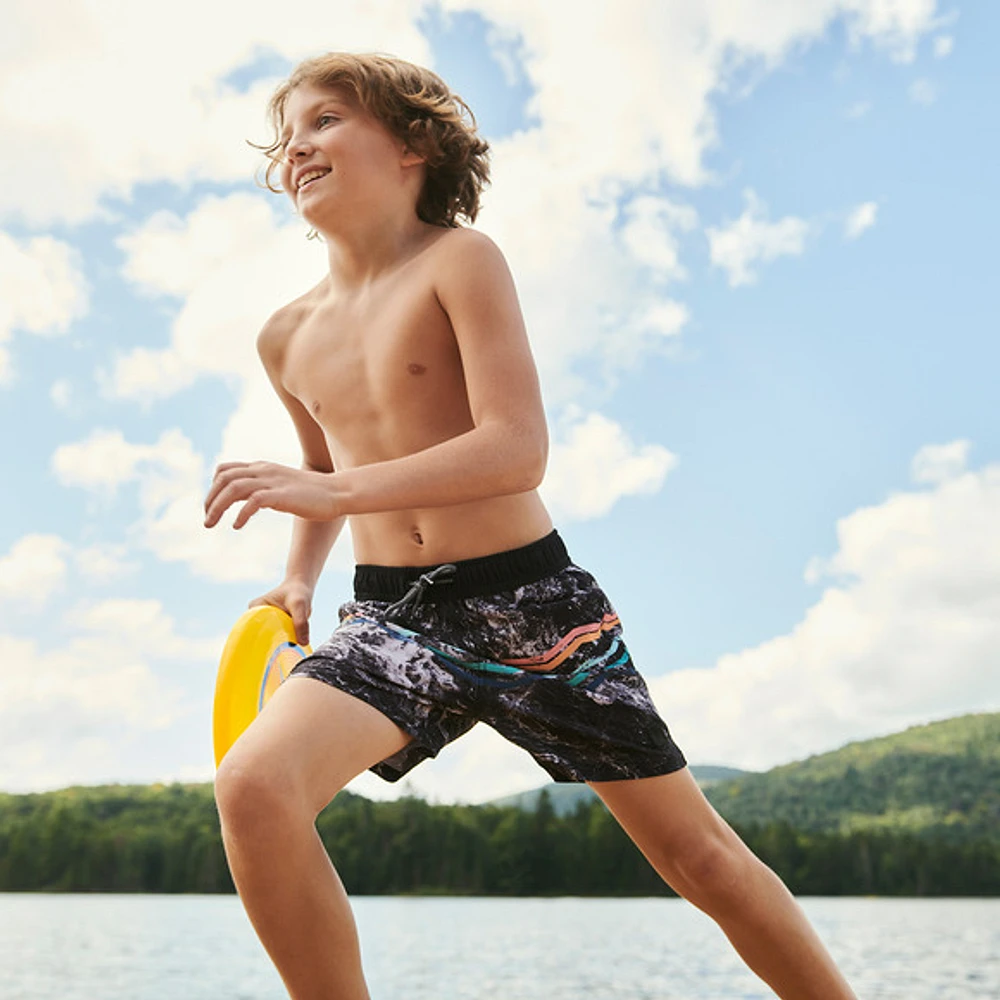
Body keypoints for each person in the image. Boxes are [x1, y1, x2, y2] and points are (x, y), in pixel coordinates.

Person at [204, 51, 857, 1000]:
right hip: (393, 619)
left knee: (700, 860)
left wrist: (335, 498)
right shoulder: (284, 335)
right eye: (289, 133)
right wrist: (301, 580)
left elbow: (515, 450)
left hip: (531, 605)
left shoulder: (460, 261)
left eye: (327, 120)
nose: (297, 146)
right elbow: (322, 470)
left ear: (414, 142)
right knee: (254, 788)